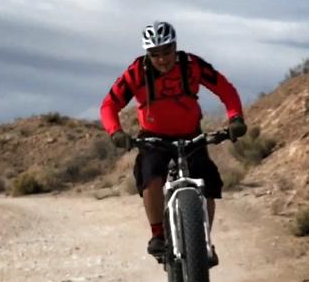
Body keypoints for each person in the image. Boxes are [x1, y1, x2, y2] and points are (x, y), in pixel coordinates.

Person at [100, 20, 247, 264]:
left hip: (191, 134)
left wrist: (236, 118)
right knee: (151, 176)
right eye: (155, 54)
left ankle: (202, 242)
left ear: (175, 47)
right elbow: (109, 105)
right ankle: (158, 235)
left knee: (207, 182)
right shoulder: (137, 72)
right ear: (147, 54)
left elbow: (225, 89)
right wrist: (115, 131)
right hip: (153, 138)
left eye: (166, 51)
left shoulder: (192, 66)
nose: (162, 59)